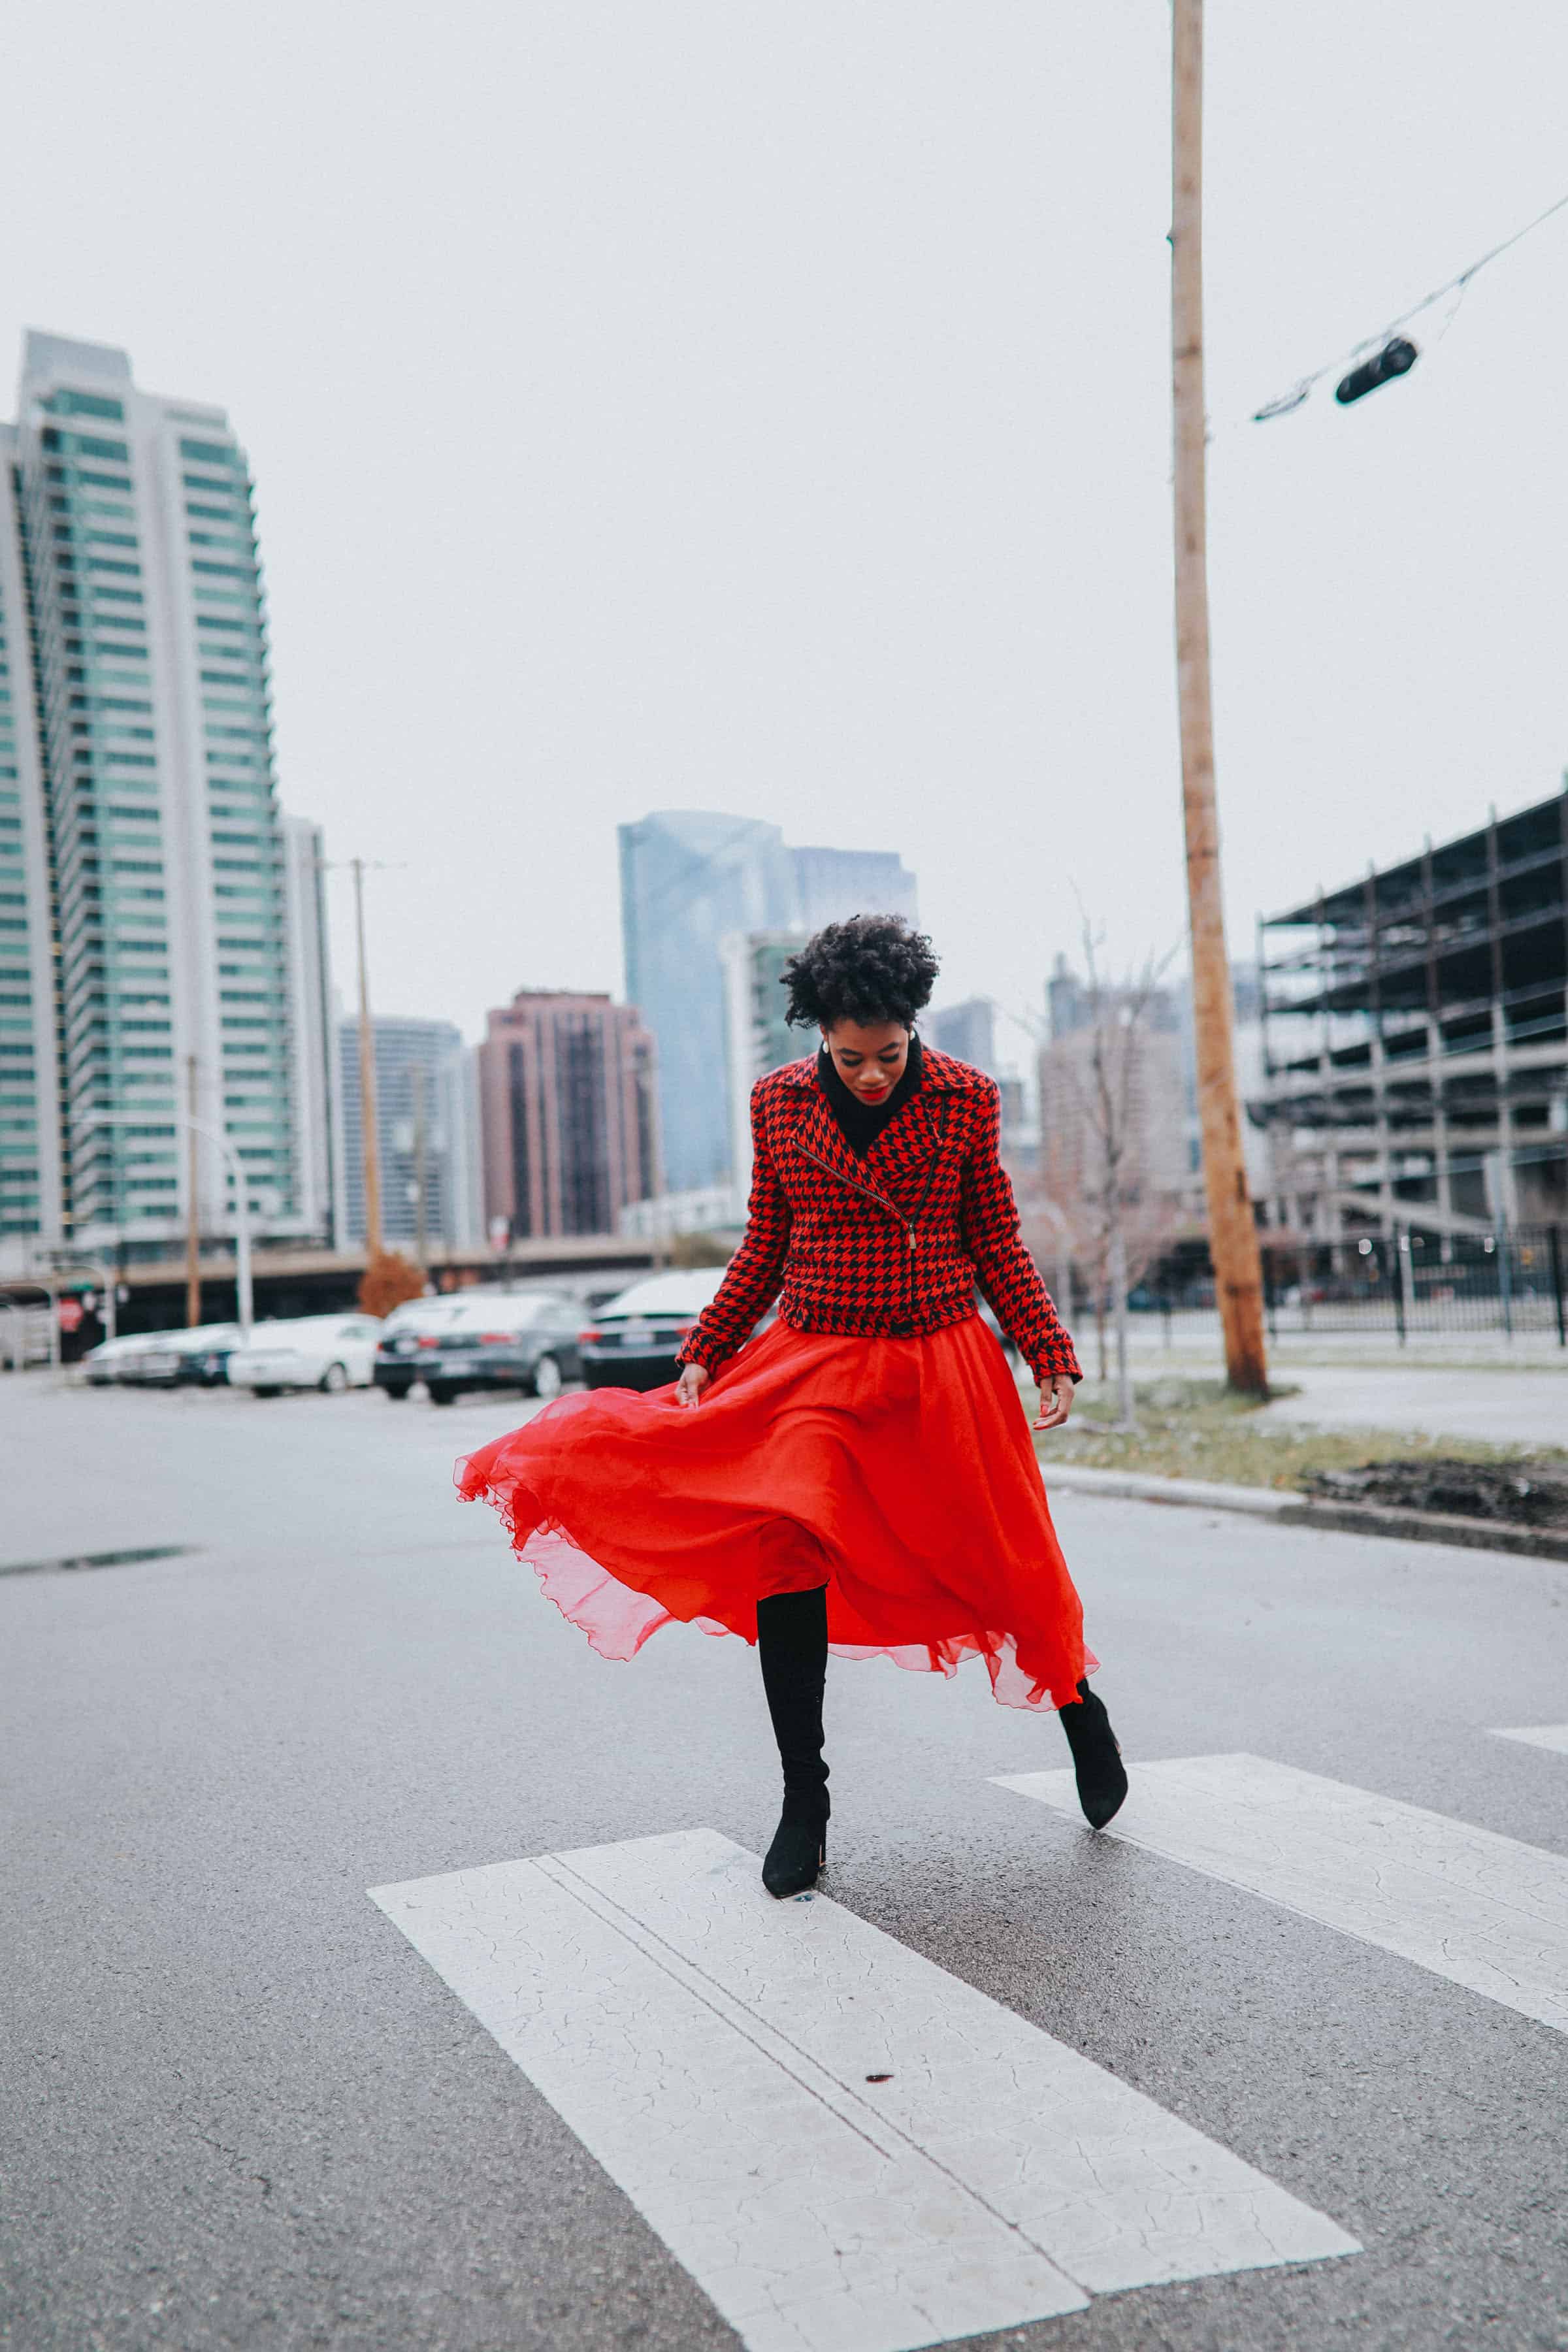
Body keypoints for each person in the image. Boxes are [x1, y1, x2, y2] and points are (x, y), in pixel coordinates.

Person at [457, 913, 1126, 1898]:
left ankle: (1077, 1705)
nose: (871, 1075)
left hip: (939, 1362)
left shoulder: (966, 1101)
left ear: (913, 1029)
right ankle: (803, 1804)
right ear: (818, 1034)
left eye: (890, 1054)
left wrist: (1047, 1349)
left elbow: (996, 1239)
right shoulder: (776, 1104)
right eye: (851, 1057)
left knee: (1005, 1557)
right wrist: (705, 1352)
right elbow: (764, 1243)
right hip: (816, 1363)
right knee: (787, 1545)